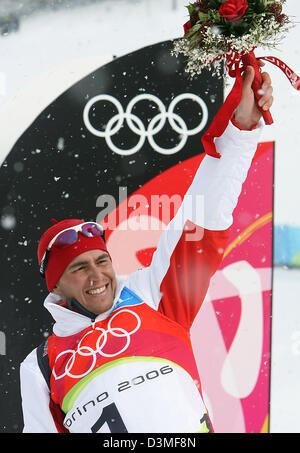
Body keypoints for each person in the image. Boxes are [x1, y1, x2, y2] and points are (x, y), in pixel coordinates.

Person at [20, 64, 274, 433]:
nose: (97, 276)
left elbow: (201, 216)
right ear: (56, 284)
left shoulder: (149, 295)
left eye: (102, 260)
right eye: (79, 268)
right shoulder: (41, 365)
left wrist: (239, 130)